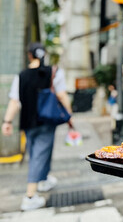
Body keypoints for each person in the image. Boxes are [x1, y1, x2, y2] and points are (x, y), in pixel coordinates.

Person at [1, 43, 72, 211]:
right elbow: (61, 95)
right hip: (47, 121)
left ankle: (44, 180)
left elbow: (14, 101)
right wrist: (70, 115)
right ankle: (30, 197)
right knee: (40, 155)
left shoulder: (22, 75)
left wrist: (7, 121)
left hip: (28, 121)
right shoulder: (54, 72)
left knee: (37, 152)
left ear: (29, 55)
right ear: (44, 54)